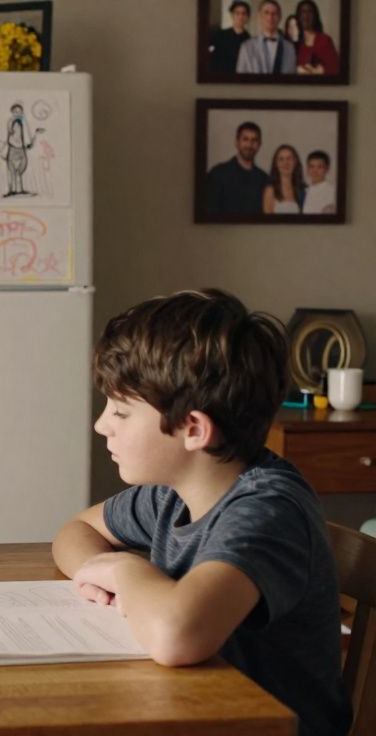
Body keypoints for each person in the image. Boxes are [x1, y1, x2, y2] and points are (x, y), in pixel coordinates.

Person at [52, 289, 351, 736]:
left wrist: (127, 573)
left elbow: (177, 637)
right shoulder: (172, 493)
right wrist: (101, 572)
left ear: (193, 429)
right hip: (189, 710)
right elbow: (74, 531)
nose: (101, 425)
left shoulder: (268, 512)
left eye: (120, 411)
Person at [204, 121, 269, 215]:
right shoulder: (218, 173)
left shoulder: (264, 179)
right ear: (237, 142)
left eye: (254, 140)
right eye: (245, 139)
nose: (249, 145)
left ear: (259, 145)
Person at [236, 1, 296, 74]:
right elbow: (240, 80)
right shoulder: (246, 47)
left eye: (274, 13)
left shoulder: (289, 48)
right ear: (260, 16)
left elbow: (291, 78)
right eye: (266, 12)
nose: (270, 17)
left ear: (280, 17)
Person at [295, 0, 339, 75]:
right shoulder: (293, 42)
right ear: (298, 16)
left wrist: (318, 71)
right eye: (303, 12)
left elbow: (335, 68)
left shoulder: (325, 40)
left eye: (310, 11)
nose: (306, 16)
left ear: (315, 16)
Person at [208, 1, 252, 74]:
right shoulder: (219, 35)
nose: (240, 17)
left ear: (247, 17)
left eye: (244, 13)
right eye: (237, 13)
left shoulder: (249, 40)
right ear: (232, 15)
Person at [263, 143, 303, 214]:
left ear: (295, 162)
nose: (285, 163)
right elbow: (267, 223)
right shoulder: (270, 191)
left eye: (289, 158)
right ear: (276, 164)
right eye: (281, 159)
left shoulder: (303, 190)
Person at [301, 150, 336, 214]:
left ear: (326, 169)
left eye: (320, 167)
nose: (315, 171)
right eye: (311, 166)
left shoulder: (332, 191)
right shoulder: (304, 191)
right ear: (308, 169)